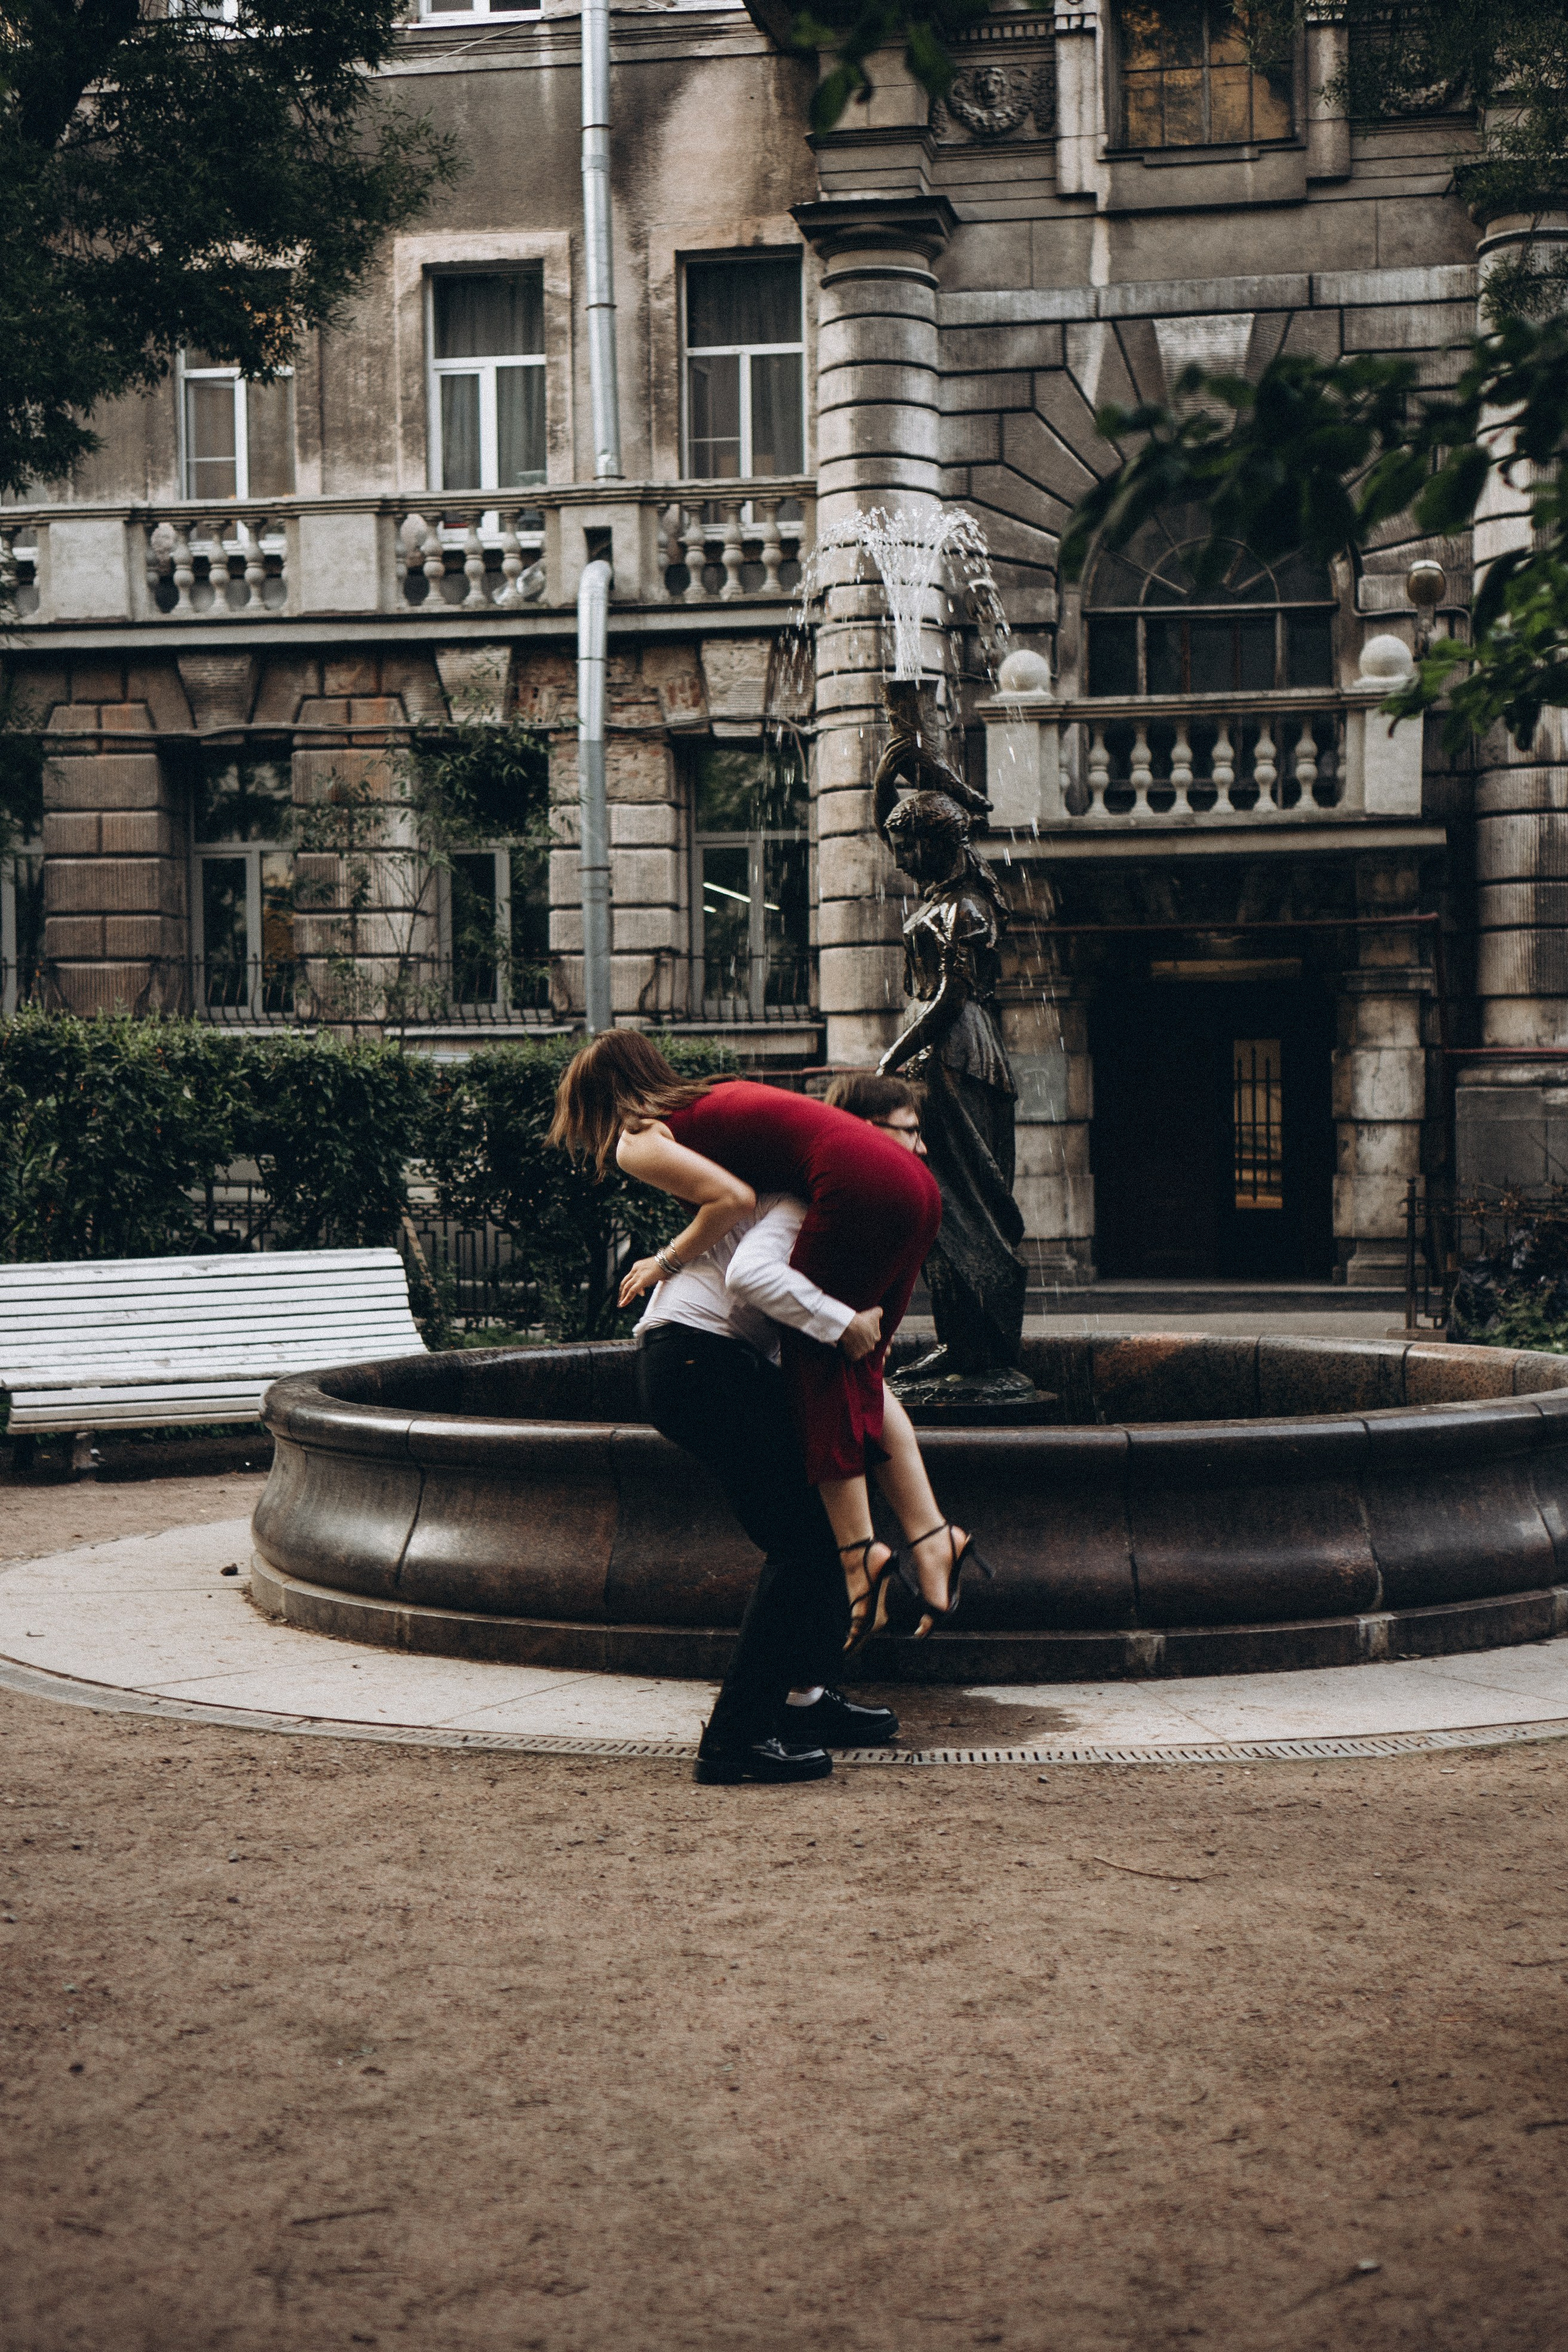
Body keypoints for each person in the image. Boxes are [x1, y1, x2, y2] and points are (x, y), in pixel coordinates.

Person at [548, 1035, 990, 1648]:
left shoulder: (639, 1137)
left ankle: (862, 1557)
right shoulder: (712, 1102)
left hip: (857, 1181)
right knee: (862, 1373)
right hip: (913, 1185)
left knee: (822, 1361)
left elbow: (731, 1200)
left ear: (599, 1099)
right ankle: (931, 1534)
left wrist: (666, 1262)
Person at [635, 1188, 900, 1784]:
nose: (916, 1147)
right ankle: (734, 1738)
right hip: (699, 1360)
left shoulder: (838, 1206)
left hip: (708, 1362)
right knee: (803, 1543)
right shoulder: (809, 1198)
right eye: (898, 1131)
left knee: (821, 1532)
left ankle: (801, 1699)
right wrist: (844, 1323)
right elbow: (752, 1276)